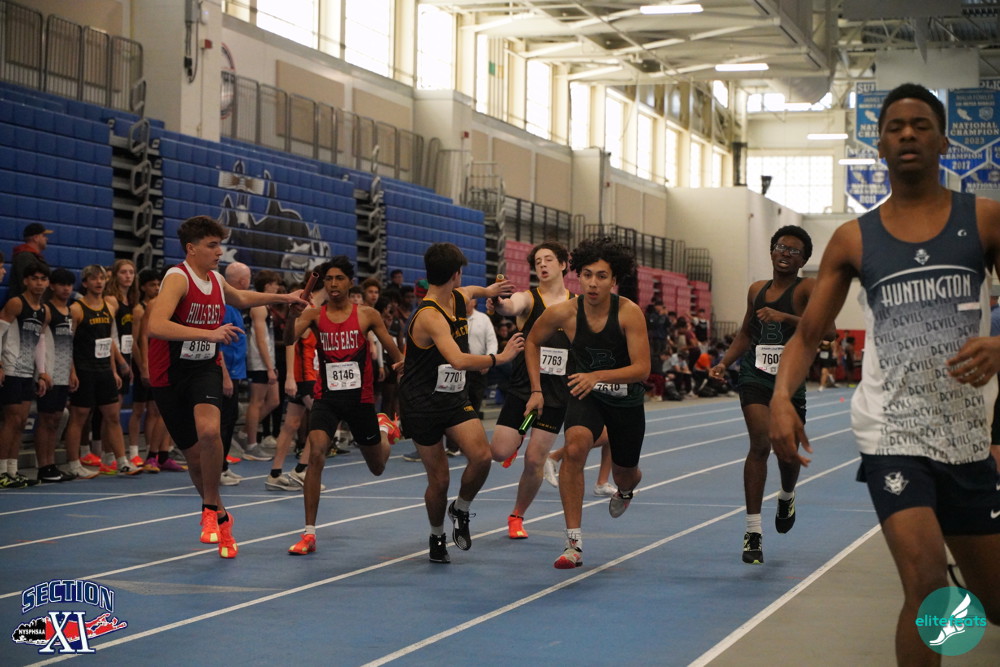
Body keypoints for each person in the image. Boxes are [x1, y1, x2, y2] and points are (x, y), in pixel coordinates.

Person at [769, 83, 1000, 665]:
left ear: (943, 140)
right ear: (880, 146)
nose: (907, 134)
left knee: (995, 603)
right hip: (891, 432)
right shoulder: (854, 238)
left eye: (921, 125)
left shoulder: (985, 220)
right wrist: (781, 398)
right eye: (895, 127)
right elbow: (807, 336)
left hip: (967, 434)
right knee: (925, 583)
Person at [147, 215, 306, 558]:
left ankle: (208, 509)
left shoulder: (217, 280)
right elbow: (156, 325)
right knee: (193, 457)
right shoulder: (177, 278)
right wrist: (210, 333)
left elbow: (243, 298)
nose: (220, 252)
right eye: (212, 245)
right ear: (191, 249)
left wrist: (284, 297)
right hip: (170, 374)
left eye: (220, 244)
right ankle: (221, 515)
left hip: (204, 368)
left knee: (210, 432)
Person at [525, 237, 650, 569]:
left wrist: (598, 375)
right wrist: (536, 390)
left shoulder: (629, 313)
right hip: (585, 395)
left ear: (614, 279)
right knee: (575, 448)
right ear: (578, 275)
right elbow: (532, 342)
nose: (593, 283)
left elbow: (642, 369)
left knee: (625, 474)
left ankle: (626, 489)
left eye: (602, 276)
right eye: (587, 275)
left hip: (625, 401)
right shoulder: (564, 313)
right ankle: (573, 543)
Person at [398, 243, 523, 563]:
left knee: (482, 458)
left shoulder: (456, 296)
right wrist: (500, 357)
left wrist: (491, 290)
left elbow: (471, 290)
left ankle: (461, 509)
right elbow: (457, 359)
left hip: (453, 398)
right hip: (422, 404)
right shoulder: (430, 316)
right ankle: (437, 535)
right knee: (440, 480)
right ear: (455, 274)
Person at [709, 225, 820, 564]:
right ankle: (753, 533)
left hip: (790, 380)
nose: (786, 254)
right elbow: (746, 332)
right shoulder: (756, 289)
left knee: (787, 453)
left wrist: (783, 315)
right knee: (760, 444)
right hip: (754, 375)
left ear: (803, 260)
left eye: (794, 251)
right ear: (771, 251)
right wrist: (724, 362)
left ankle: (786, 495)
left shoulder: (807, 289)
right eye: (781, 247)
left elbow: (827, 330)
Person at [284, 257, 403, 554]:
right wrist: (290, 314)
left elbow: (394, 352)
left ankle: (384, 429)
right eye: (328, 279)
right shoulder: (314, 314)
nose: (333, 284)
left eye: (339, 278)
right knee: (316, 454)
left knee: (377, 467)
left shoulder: (367, 315)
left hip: (360, 401)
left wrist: (403, 368)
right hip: (327, 399)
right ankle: (309, 533)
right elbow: (288, 338)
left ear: (350, 282)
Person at [490, 242, 574, 538]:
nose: (543, 265)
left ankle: (517, 516)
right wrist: (498, 301)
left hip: (557, 392)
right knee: (499, 451)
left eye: (549, 259)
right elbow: (510, 306)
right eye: (538, 261)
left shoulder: (577, 304)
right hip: (525, 386)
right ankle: (516, 441)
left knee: (536, 460)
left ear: (563, 264)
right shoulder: (528, 298)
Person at [62, 265, 137, 478]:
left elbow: (110, 340)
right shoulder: (76, 309)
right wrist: (71, 371)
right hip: (84, 369)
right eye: (94, 279)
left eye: (102, 278)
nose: (99, 282)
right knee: (79, 417)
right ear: (85, 283)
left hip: (104, 370)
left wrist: (114, 370)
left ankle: (121, 461)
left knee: (113, 415)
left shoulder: (110, 307)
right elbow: (67, 343)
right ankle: (74, 463)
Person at [0, 260, 50, 487]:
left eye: (43, 279)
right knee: (11, 421)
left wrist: (42, 372)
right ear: (26, 281)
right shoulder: (16, 304)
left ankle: (13, 470)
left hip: (27, 371)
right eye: (34, 279)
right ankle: (1, 471)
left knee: (21, 422)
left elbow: (40, 342)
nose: (39, 283)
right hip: (11, 368)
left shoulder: (44, 311)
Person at [34, 268, 78, 482]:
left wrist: (72, 371)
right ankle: (43, 466)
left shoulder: (70, 311)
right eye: (61, 284)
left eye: (69, 285)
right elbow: (38, 340)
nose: (66, 289)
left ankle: (51, 464)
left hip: (62, 370)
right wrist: (42, 372)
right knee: (46, 419)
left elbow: (69, 343)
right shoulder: (47, 310)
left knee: (56, 419)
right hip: (49, 370)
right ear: (52, 286)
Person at [444, 296, 496, 456]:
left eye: (469, 301)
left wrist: (489, 360)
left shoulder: (483, 319)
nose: (466, 304)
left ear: (474, 302)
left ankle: (470, 444)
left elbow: (492, 341)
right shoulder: (452, 319)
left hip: (478, 368)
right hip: (458, 368)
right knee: (455, 406)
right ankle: (452, 447)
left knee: (474, 406)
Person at [242, 270, 282, 460]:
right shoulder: (258, 307)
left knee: (274, 400)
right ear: (267, 286)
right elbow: (260, 339)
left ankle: (245, 431)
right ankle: (251, 444)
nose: (277, 288)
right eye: (275, 284)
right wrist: (268, 366)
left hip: (267, 360)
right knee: (256, 402)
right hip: (259, 361)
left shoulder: (265, 306)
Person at [218, 262, 252, 484]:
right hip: (226, 374)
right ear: (242, 281)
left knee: (230, 421)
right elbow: (217, 345)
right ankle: (216, 470)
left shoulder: (235, 307)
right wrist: (225, 377)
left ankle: (223, 465)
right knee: (222, 423)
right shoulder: (223, 307)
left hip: (236, 372)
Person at [8, 223, 51, 299]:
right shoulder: (25, 257)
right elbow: (27, 286)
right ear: (36, 238)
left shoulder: (31, 257)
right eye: (44, 235)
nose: (46, 239)